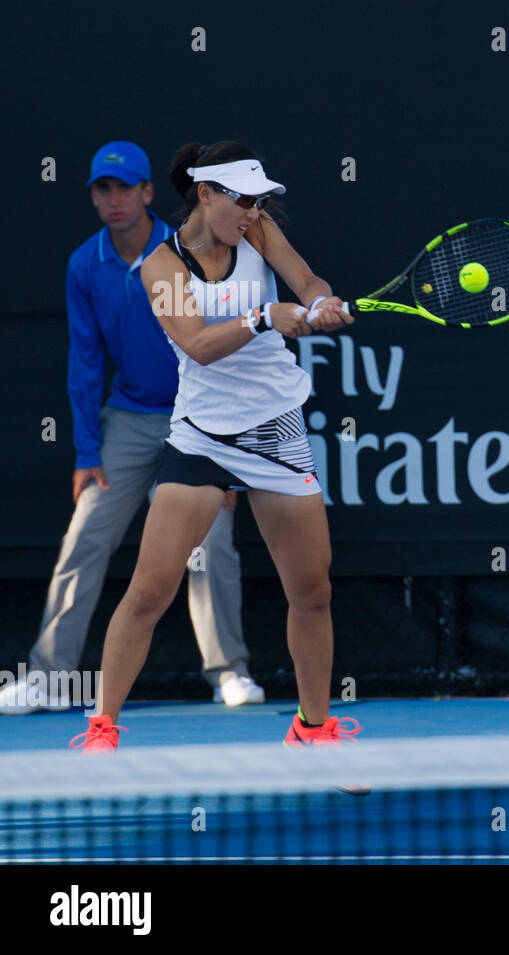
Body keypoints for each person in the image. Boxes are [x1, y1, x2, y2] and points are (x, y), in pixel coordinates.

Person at [70, 141, 357, 751]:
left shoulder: (258, 232)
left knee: (312, 591)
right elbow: (197, 345)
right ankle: (101, 730)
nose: (253, 211)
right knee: (150, 589)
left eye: (260, 201)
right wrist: (263, 317)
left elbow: (306, 278)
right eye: (243, 200)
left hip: (276, 427)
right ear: (205, 194)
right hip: (202, 437)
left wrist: (318, 301)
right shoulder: (159, 267)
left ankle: (313, 729)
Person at [0, 141, 262, 717]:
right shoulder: (83, 266)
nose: (114, 199)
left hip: (196, 418)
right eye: (103, 189)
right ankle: (47, 677)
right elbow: (85, 361)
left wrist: (228, 456)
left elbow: (226, 347)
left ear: (148, 194)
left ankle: (229, 672)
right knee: (85, 536)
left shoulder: (187, 254)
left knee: (209, 543)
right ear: (95, 198)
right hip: (127, 420)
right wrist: (85, 451)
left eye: (126, 188)